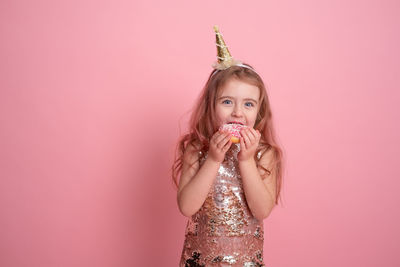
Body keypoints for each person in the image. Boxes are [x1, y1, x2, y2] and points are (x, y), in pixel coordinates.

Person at [172, 26, 284, 267]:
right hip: (199, 261)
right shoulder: (196, 148)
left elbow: (262, 210)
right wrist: (212, 159)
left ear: (259, 111)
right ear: (211, 105)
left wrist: (246, 161)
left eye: (248, 104)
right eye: (227, 101)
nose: (237, 113)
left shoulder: (264, 153)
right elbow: (187, 206)